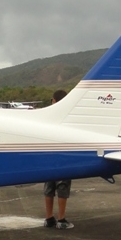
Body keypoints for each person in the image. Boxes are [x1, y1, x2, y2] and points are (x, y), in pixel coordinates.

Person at [44, 89, 73, 229]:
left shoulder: (47, 115)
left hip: (48, 155)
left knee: (49, 187)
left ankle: (49, 217)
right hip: (63, 156)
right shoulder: (68, 116)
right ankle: (61, 219)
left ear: (53, 100)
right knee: (62, 187)